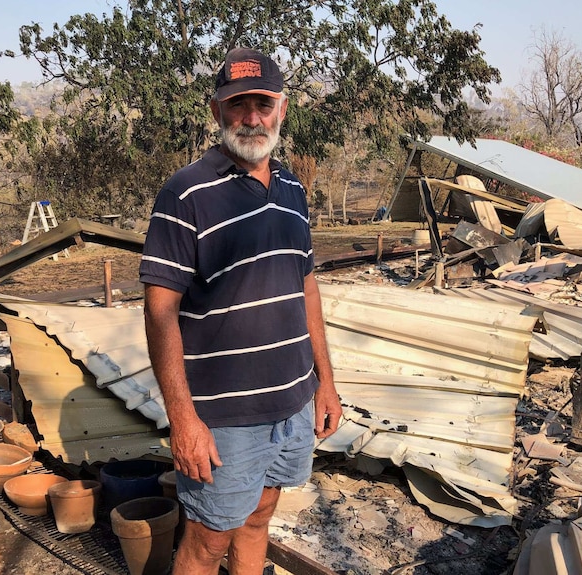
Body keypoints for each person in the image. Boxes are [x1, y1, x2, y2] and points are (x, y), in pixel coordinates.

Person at [139, 47, 342, 575]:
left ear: (283, 108)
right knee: (207, 542)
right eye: (237, 105)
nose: (252, 118)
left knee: (259, 517)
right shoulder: (186, 194)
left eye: (263, 103)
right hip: (223, 418)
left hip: (292, 402)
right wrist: (183, 421)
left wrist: (325, 381)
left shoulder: (294, 189)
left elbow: (307, 285)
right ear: (217, 112)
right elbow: (159, 314)